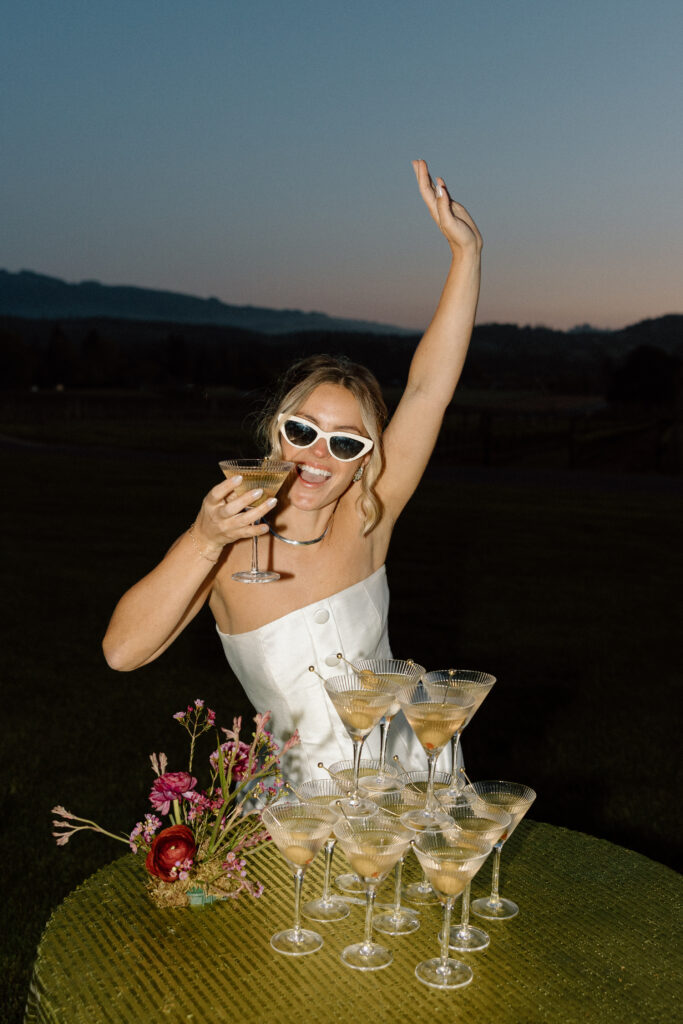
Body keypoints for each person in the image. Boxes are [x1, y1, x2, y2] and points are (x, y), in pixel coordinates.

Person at [103, 159, 483, 782]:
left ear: (366, 464)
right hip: (304, 815)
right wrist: (202, 540)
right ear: (277, 434)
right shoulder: (225, 550)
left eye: (344, 444)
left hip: (419, 780)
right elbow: (122, 653)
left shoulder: (370, 517)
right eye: (303, 432)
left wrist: (466, 255)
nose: (316, 456)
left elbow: (426, 391)